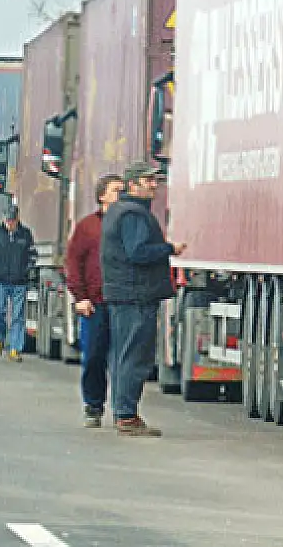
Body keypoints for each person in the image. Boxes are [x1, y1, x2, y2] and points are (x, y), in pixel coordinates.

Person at [101, 161, 186, 437]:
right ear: (133, 184)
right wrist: (168, 249)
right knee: (135, 356)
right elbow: (138, 252)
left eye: (155, 181)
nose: (154, 186)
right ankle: (126, 414)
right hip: (135, 295)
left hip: (124, 294)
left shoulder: (118, 211)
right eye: (148, 181)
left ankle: (123, 411)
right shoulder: (133, 215)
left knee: (123, 355)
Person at [65, 173, 124, 428]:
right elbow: (73, 262)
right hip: (95, 303)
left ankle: (124, 410)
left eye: (123, 190)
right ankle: (94, 405)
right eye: (115, 190)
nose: (120, 195)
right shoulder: (87, 227)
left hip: (124, 303)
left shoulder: (131, 225)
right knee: (94, 356)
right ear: (102, 196)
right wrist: (80, 297)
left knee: (125, 360)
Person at [0, 205, 37, 362]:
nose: (10, 223)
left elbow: (32, 255)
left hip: (19, 281)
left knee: (18, 316)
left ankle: (15, 348)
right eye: (7, 220)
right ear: (4, 219)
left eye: (12, 220)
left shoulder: (26, 234)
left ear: (17, 219)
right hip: (0, 280)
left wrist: (27, 269)